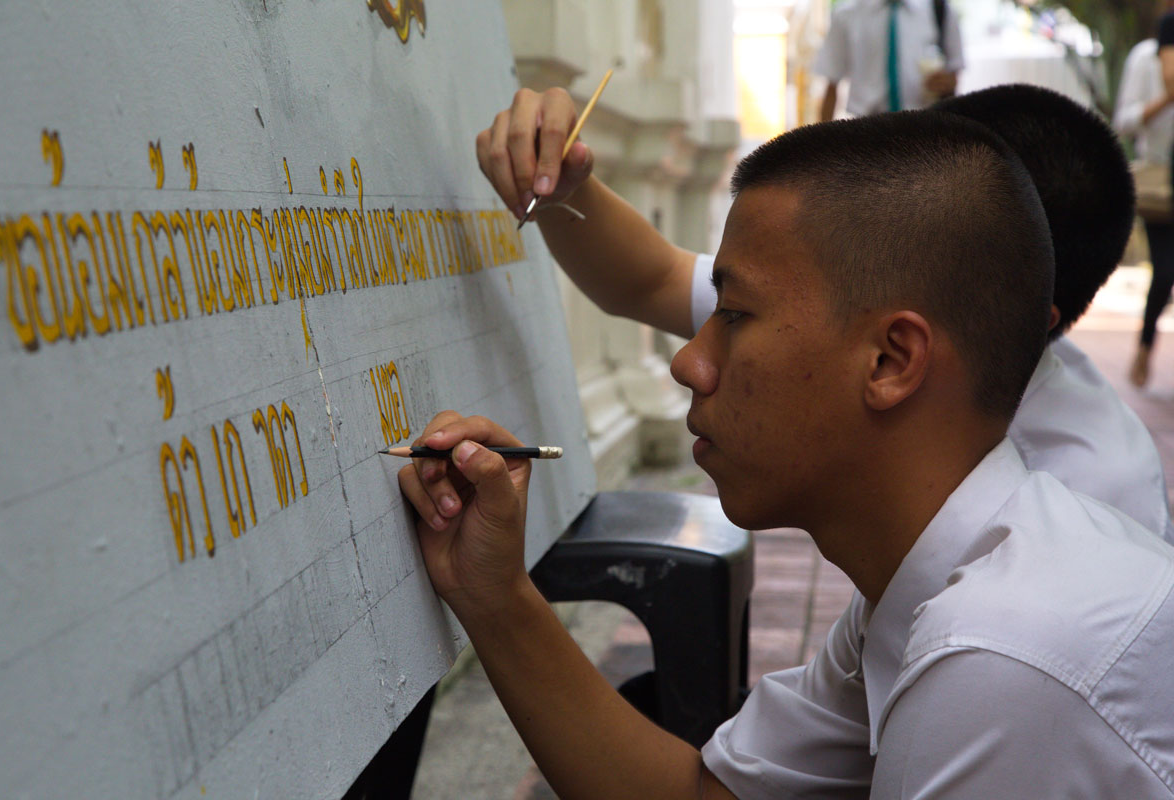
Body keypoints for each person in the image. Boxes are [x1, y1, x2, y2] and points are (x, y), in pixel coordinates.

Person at [401, 112, 1174, 796]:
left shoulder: (1003, 657)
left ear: (891, 361)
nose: (688, 362)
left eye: (734, 314)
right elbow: (700, 794)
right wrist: (492, 595)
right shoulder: (924, 588)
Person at [477, 83, 1173, 540]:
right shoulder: (899, 319)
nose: (691, 364)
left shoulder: (1074, 523)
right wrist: (563, 183)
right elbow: (651, 277)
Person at [1117, 9, 1174, 388]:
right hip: (1160, 183)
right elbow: (1124, 121)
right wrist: (1168, 97)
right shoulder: (1144, 57)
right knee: (1165, 271)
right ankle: (1145, 344)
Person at [815, 0, 963, 121]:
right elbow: (831, 86)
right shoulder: (846, 14)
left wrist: (946, 82)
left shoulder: (940, 10)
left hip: (925, 127)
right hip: (868, 131)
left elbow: (954, 74)